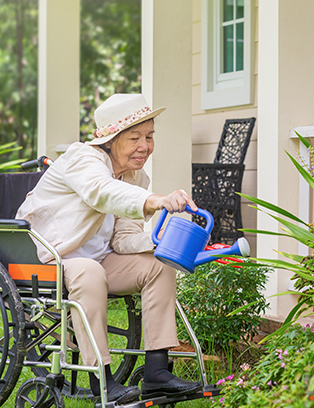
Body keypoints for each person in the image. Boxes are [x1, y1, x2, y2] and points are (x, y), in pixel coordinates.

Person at [16, 93, 202, 404]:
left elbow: (124, 239)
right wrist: (155, 201)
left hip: (100, 260)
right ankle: (101, 377)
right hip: (51, 256)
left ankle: (157, 371)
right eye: (135, 138)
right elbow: (101, 192)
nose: (144, 146)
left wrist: (161, 241)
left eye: (149, 136)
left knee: (159, 264)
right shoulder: (82, 158)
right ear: (111, 139)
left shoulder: (134, 175)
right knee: (89, 272)